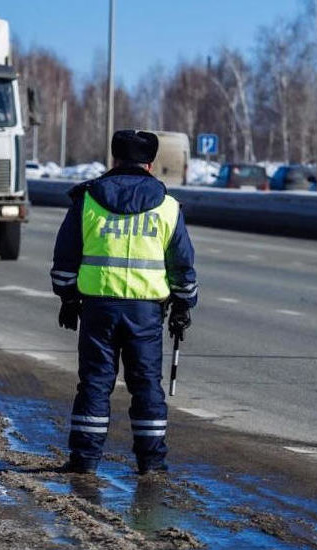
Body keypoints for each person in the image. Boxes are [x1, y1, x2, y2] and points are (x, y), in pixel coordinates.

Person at [51, 130, 198, 475]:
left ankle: (84, 460)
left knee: (95, 383)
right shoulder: (168, 206)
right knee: (146, 384)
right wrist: (183, 304)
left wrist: (68, 297)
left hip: (97, 308)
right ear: (150, 163)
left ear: (114, 159)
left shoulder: (87, 200)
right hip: (145, 313)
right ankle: (151, 462)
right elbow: (182, 263)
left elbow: (65, 257)